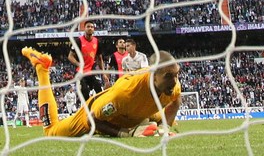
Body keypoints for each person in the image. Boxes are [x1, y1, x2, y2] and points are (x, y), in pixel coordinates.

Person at [22, 46, 182, 138]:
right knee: (51, 132)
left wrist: (165, 128)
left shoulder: (173, 86)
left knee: (158, 119)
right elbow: (93, 119)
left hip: (132, 112)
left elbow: (176, 101)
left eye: (176, 75)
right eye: (169, 76)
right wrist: (123, 134)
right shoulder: (124, 93)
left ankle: (146, 124)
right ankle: (42, 68)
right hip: (93, 114)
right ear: (153, 75)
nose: (174, 81)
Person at [68, 21, 109, 98]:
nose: (90, 28)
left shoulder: (97, 42)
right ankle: (86, 107)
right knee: (85, 91)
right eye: (88, 26)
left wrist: (103, 73)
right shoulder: (78, 41)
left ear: (94, 29)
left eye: (92, 27)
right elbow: (70, 56)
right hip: (80, 71)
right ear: (84, 28)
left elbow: (99, 59)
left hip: (91, 70)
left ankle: (98, 107)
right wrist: (78, 64)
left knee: (98, 88)